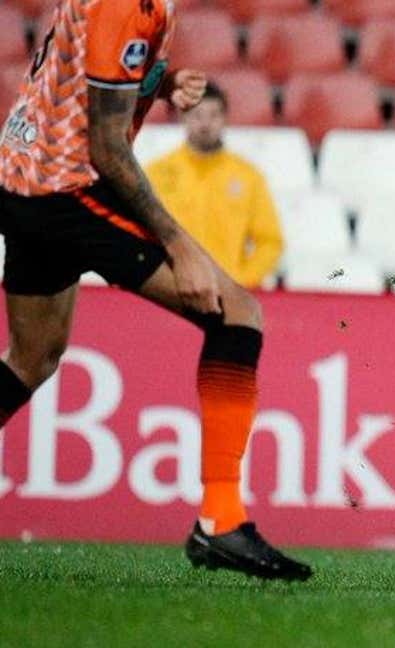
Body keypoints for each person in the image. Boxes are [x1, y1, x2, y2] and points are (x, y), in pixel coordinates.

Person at [0, 0, 310, 580]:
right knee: (237, 315)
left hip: (21, 180)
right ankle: (220, 522)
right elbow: (106, 147)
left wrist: (160, 83)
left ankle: (219, 523)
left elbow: (88, 71)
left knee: (32, 358)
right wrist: (181, 245)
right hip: (69, 189)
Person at [146, 82, 284, 289]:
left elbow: (270, 241)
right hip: (172, 291)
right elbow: (141, 233)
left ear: (225, 119)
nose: (205, 124)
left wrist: (243, 281)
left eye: (213, 115)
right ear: (183, 117)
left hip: (229, 292)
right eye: (197, 115)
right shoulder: (157, 173)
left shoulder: (247, 176)